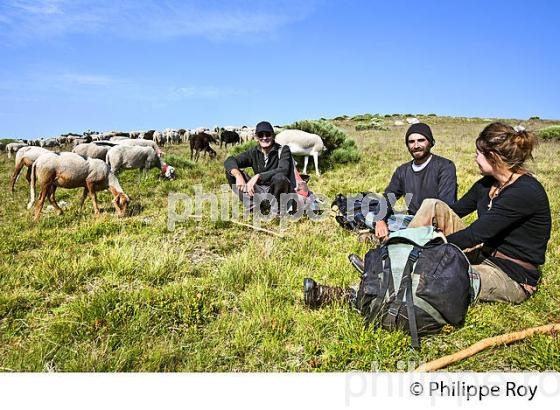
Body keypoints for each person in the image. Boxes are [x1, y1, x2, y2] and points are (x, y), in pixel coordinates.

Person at [305, 122, 551, 307]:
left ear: (494, 157)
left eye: (479, 153)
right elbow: (453, 210)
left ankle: (347, 294)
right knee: (432, 205)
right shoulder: (487, 184)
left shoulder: (524, 192)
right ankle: (389, 259)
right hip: (482, 253)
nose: (475, 157)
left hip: (509, 274)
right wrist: (418, 234)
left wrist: (426, 246)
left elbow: (476, 233)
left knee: (434, 279)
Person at [366, 123, 457, 240]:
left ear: (430, 142)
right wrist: (380, 220)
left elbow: (445, 205)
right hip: (412, 220)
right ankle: (400, 237)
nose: (416, 145)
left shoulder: (445, 166)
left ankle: (394, 238)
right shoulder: (402, 171)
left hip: (436, 224)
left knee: (424, 231)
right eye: (411, 142)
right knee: (370, 216)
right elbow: (389, 197)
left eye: (421, 140)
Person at [224, 121, 293, 213]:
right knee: (231, 172)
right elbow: (230, 160)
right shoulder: (253, 152)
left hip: (274, 190)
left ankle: (277, 210)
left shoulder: (283, 150)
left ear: (273, 136)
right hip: (257, 190)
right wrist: (238, 175)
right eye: (261, 135)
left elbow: (284, 169)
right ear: (256, 137)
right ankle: (254, 207)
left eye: (268, 134)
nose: (264, 138)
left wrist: (259, 176)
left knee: (280, 178)